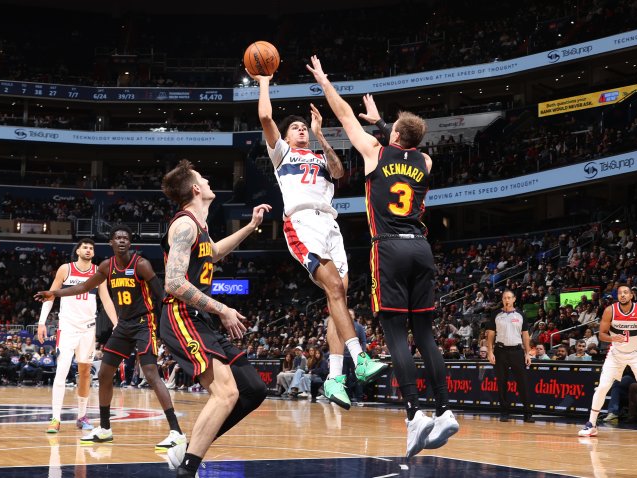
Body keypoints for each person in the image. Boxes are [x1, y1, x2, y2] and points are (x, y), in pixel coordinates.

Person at [306, 56, 459, 458]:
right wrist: (382, 123)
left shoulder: (376, 152)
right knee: (425, 335)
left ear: (391, 134)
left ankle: (415, 416)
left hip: (388, 246)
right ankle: (444, 410)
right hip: (422, 247)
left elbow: (342, 113)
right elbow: (406, 142)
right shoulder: (425, 162)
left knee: (396, 338)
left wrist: (324, 80)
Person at [252, 66, 386, 410]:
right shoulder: (282, 153)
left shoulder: (318, 155)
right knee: (336, 290)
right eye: (295, 128)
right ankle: (360, 359)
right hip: (302, 221)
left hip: (330, 225)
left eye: (303, 128)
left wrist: (320, 135)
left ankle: (334, 379)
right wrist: (265, 83)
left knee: (337, 299)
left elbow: (340, 172)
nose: (301, 131)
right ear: (286, 135)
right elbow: (266, 115)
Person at [156, 160, 271, 477]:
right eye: (203, 178)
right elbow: (174, 283)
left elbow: (214, 253)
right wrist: (222, 309)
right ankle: (188, 467)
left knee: (252, 390)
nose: (208, 181)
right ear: (195, 188)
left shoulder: (200, 228)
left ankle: (189, 451)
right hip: (181, 315)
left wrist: (250, 226)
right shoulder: (184, 225)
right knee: (226, 394)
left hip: (198, 319)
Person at [35, 227, 184, 452]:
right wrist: (54, 293)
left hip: (144, 324)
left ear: (130, 242)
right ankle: (104, 428)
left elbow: (161, 296)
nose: (122, 241)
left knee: (151, 373)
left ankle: (176, 432)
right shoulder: (107, 266)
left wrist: (170, 323)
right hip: (123, 326)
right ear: (111, 242)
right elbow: (83, 286)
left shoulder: (141, 264)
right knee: (105, 373)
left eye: (126, 237)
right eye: (118, 238)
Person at [36, 238, 118, 433]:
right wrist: (42, 322)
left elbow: (106, 300)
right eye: (85, 247)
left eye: (91, 248)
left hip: (88, 329)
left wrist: (116, 323)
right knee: (62, 371)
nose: (89, 250)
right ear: (78, 251)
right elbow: (50, 295)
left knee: (84, 374)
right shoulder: (66, 269)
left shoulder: (99, 272)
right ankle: (55, 418)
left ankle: (82, 417)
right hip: (67, 327)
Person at [486, 290, 534, 423]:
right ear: (502, 300)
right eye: (504, 298)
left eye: (509, 298)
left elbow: (525, 336)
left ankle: (527, 413)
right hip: (500, 351)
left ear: (514, 299)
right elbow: (490, 334)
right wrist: (490, 352)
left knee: (523, 383)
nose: (506, 300)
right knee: (502, 383)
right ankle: (504, 412)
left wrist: (527, 353)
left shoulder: (521, 315)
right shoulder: (495, 314)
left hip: (517, 352)